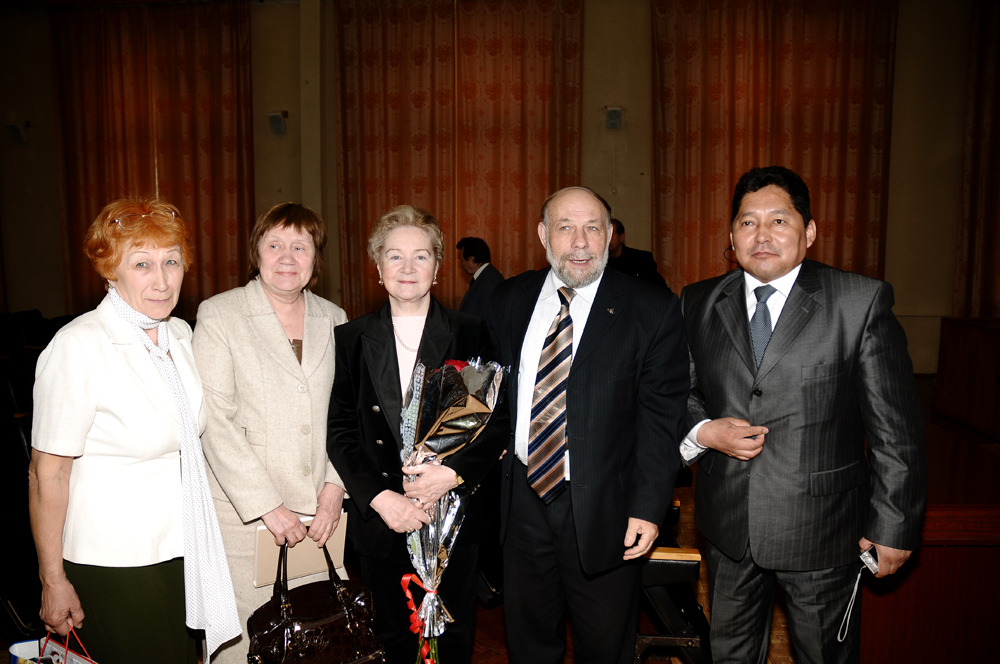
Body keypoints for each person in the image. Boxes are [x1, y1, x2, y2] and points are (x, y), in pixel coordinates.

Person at [680, 166, 926, 663]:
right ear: (732, 235)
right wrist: (704, 431)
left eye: (779, 220)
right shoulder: (699, 300)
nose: (762, 236)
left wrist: (894, 526)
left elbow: (895, 431)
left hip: (822, 531)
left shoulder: (859, 301)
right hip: (729, 529)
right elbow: (679, 394)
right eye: (747, 223)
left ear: (809, 231)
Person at [28, 198, 239, 664]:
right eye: (142, 264)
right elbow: (48, 474)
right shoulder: (78, 346)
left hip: (184, 548)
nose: (161, 281)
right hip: (116, 559)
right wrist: (52, 578)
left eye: (171, 262)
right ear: (111, 271)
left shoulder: (179, 335)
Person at [487, 186, 689, 664]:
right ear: (543, 235)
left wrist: (648, 508)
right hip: (521, 504)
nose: (580, 242)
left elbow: (661, 419)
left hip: (608, 510)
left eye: (592, 228)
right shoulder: (508, 298)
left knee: (605, 647)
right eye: (565, 227)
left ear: (610, 234)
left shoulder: (651, 308)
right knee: (528, 644)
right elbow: (490, 392)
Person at [327, 205, 507, 664]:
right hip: (383, 520)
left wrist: (453, 475)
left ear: (438, 266)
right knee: (392, 638)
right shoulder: (350, 338)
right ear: (378, 266)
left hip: (452, 516)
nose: (407, 267)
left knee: (453, 639)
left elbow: (495, 420)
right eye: (395, 256)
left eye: (421, 256)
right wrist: (380, 498)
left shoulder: (470, 331)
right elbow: (341, 431)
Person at [193, 203, 349, 664]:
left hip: (320, 516)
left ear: (316, 258)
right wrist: (267, 505)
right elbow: (215, 420)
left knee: (319, 638)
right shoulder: (220, 314)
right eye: (275, 244)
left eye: (300, 247)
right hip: (245, 518)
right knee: (246, 645)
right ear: (255, 252)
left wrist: (335, 489)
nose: (287, 257)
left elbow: (347, 415)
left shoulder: (335, 317)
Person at [607, 218, 668, 288]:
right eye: (606, 235)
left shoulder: (641, 259)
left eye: (612, 234)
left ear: (622, 237)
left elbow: (660, 288)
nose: (608, 239)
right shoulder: (600, 262)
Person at [456, 236, 505, 321]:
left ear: (472, 259)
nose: (461, 265)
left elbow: (485, 321)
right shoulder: (485, 277)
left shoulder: (489, 282)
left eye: (461, 260)